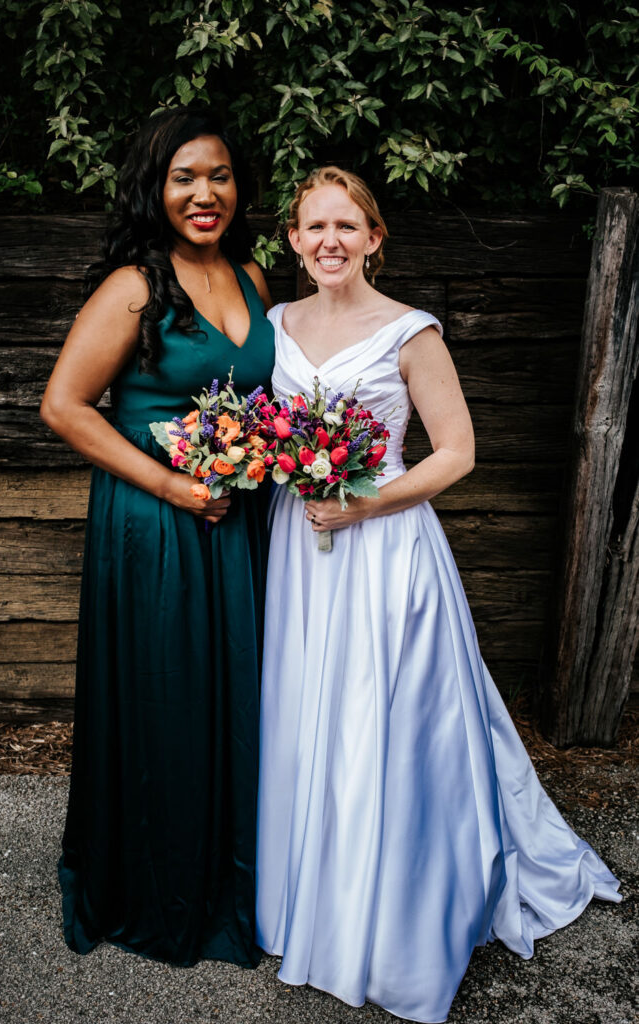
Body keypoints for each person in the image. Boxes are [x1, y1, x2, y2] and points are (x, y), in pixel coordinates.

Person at [255, 166, 621, 1022]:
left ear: (375, 238)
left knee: (380, 716)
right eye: (314, 228)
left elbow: (454, 452)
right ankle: (302, 890)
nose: (330, 242)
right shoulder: (273, 324)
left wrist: (363, 500)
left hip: (381, 544)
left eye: (347, 227)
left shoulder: (409, 331)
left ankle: (385, 914)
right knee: (304, 710)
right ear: (293, 241)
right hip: (297, 546)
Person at [41, 107, 274, 968]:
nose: (203, 193)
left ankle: (233, 875)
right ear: (156, 188)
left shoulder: (253, 277)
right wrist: (173, 484)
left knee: (234, 699)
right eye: (184, 178)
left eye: (217, 175)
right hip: (157, 527)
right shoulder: (134, 286)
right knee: (168, 696)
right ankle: (156, 885)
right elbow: (63, 406)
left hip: (239, 522)